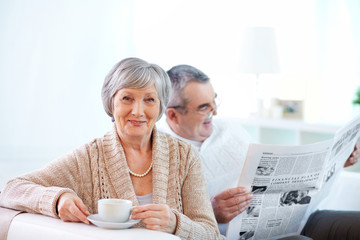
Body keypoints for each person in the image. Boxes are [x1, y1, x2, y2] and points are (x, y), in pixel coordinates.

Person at [0, 58, 223, 240]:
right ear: (111, 102)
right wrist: (57, 199)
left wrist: (176, 224)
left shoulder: (184, 156)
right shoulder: (87, 157)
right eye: (127, 98)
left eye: (149, 99)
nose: (138, 111)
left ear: (161, 106)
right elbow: (11, 189)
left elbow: (211, 233)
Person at [157, 64, 360, 238]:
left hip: (299, 220)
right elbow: (166, 223)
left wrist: (338, 160)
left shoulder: (230, 129)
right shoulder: (164, 154)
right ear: (173, 116)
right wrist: (211, 213)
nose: (215, 112)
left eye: (214, 100)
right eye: (204, 107)